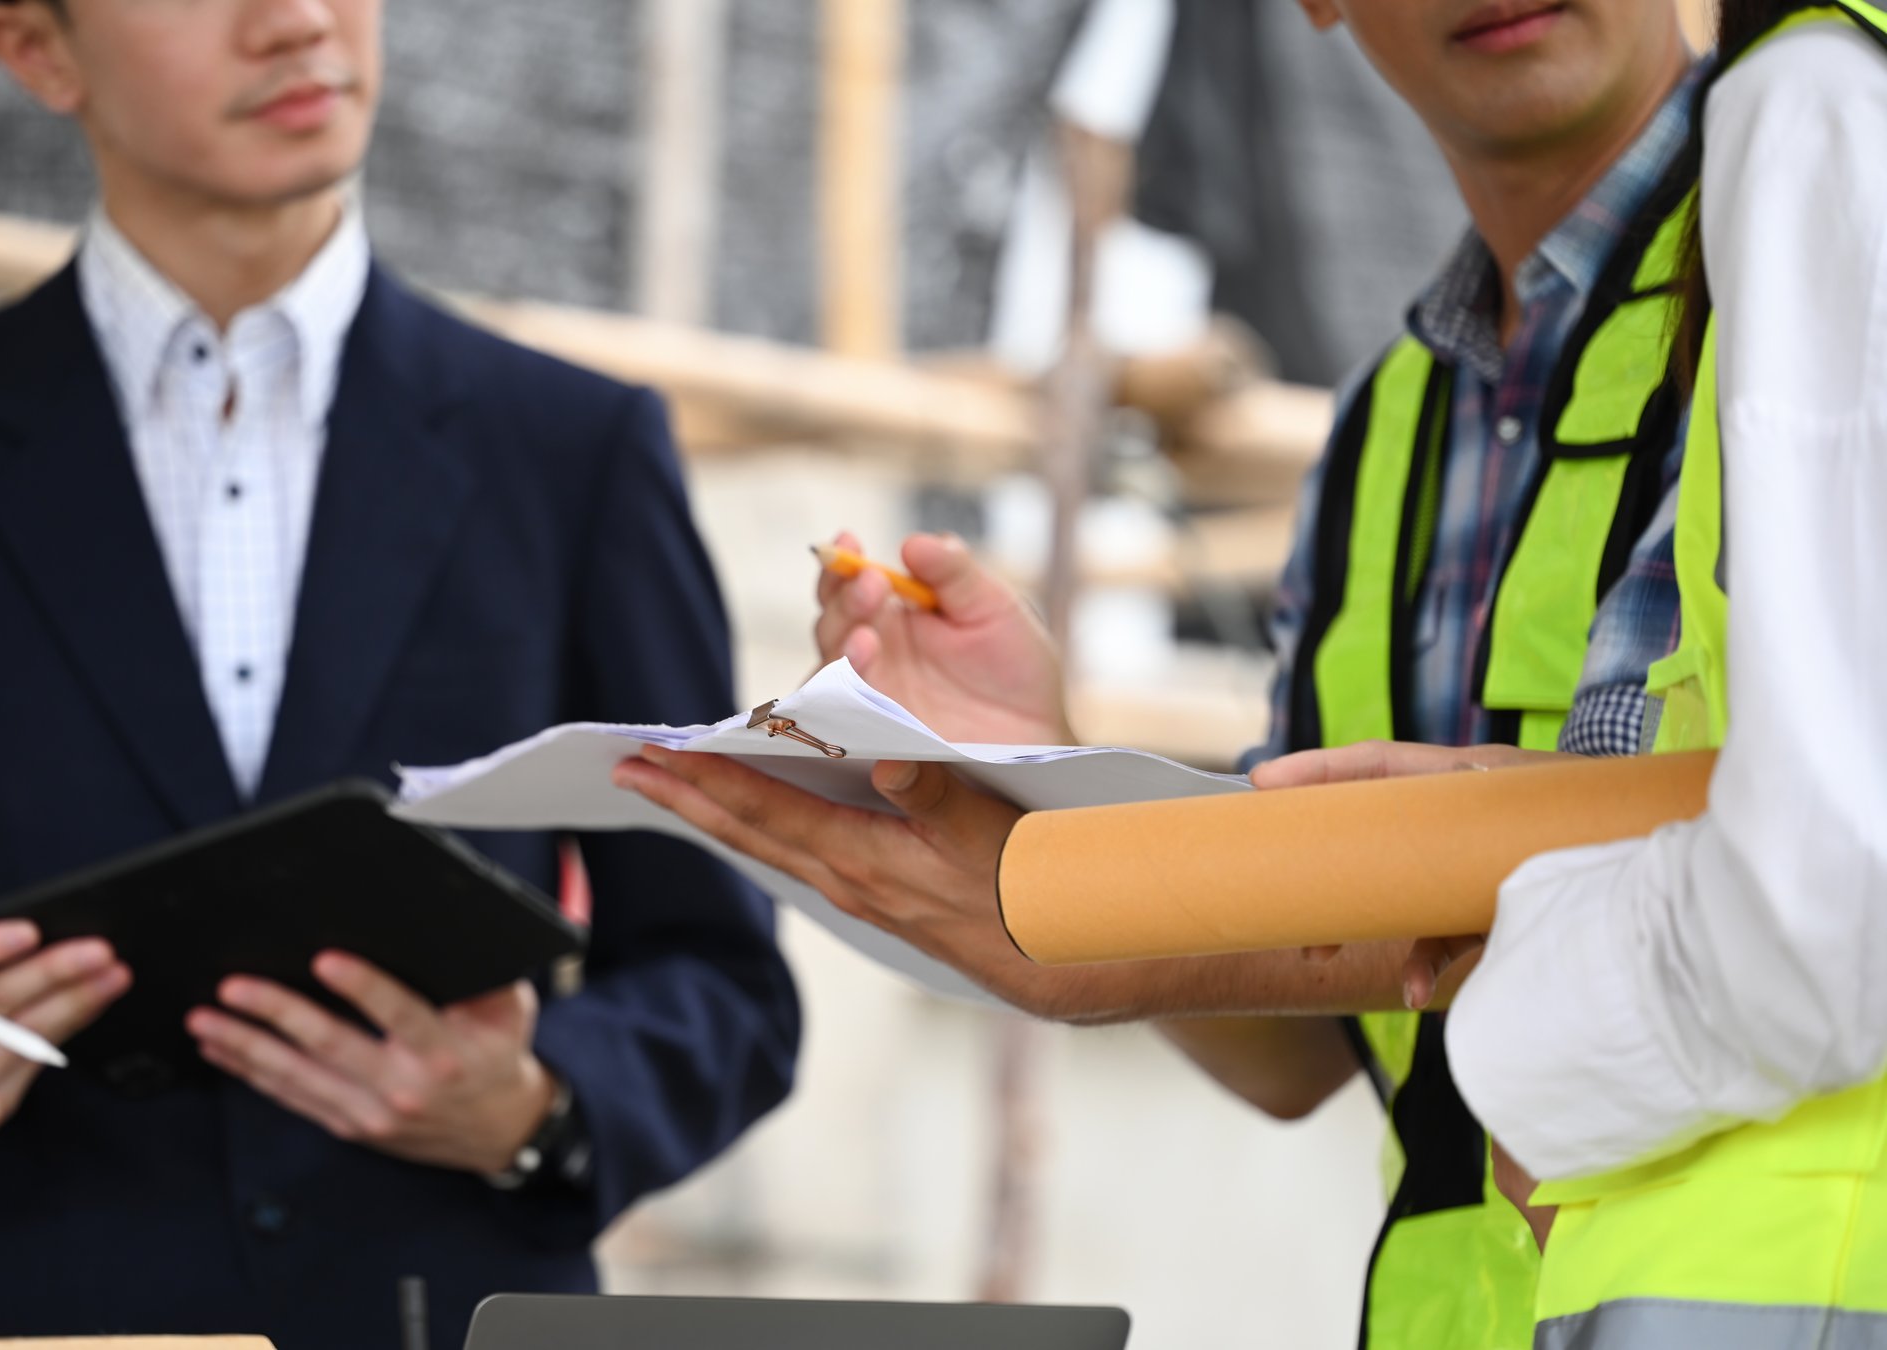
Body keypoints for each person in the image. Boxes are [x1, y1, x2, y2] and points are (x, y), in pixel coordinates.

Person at [0, 2, 799, 1346]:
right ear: (37, 48)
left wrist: (538, 1099)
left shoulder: (575, 453)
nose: (301, 21)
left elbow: (719, 972)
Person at [618, 1, 1705, 1343]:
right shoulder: (1383, 435)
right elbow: (1299, 1048)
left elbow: (1756, 871)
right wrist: (1046, 766)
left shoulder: (1817, 299)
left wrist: (1073, 929)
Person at [1306, 1, 1885, 1341]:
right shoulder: (1374, 432)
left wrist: (1533, 1028)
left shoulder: (1819, 106)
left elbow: (1824, 890)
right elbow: (1310, 1025)